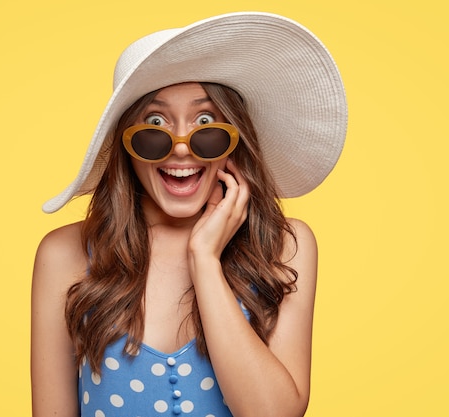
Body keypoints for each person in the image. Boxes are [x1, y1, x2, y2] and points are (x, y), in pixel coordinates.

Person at [31, 11, 347, 417]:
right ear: (127, 145)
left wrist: (205, 260)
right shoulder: (64, 254)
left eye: (205, 123)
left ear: (233, 143)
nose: (181, 148)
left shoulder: (285, 246)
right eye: (156, 124)